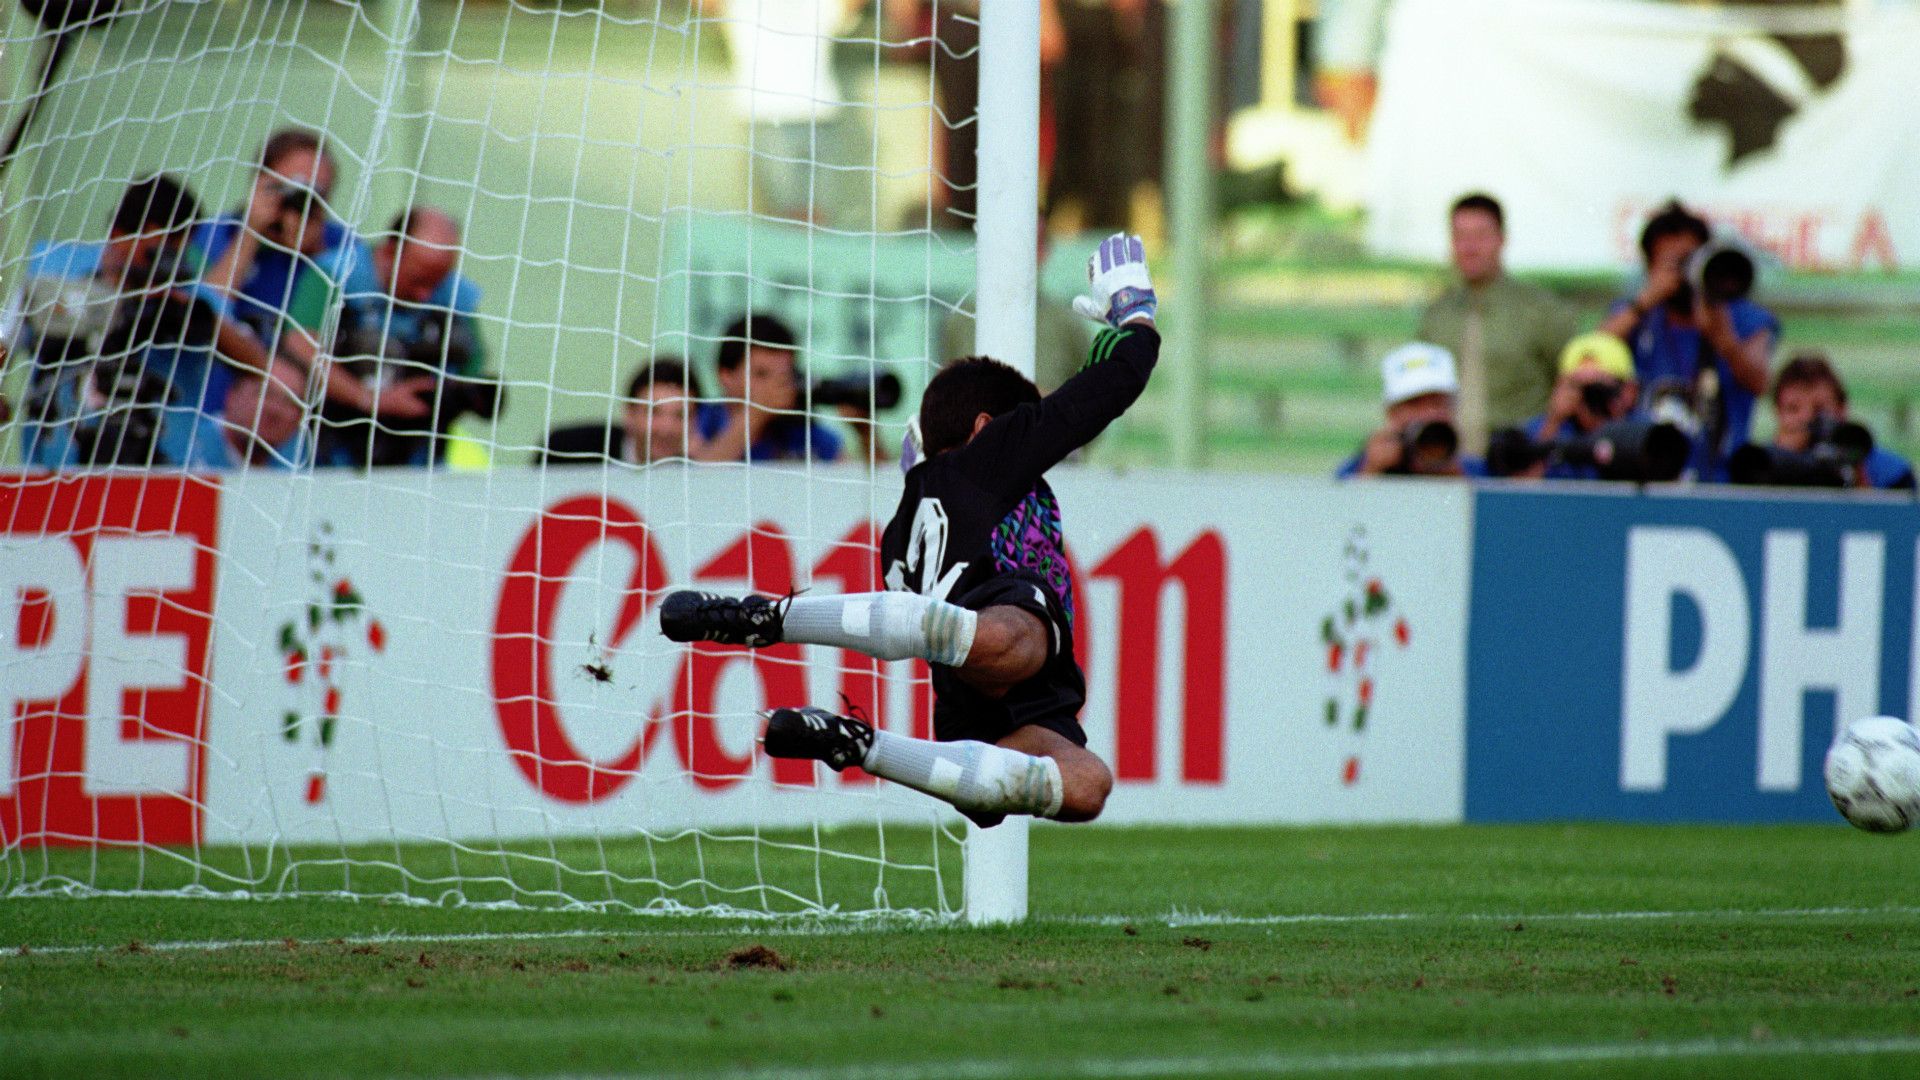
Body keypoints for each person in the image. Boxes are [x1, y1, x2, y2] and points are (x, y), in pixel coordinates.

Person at [657, 232, 1161, 827]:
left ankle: (859, 744)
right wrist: (1134, 313)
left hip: (996, 695)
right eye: (1024, 423)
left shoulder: (899, 532)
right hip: (1005, 642)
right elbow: (1107, 388)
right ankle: (767, 617)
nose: (1036, 439)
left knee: (1085, 785)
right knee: (1017, 641)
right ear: (984, 427)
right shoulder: (992, 454)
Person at [7, 173, 271, 468]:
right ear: (120, 237)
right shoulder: (59, 284)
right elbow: (6, 341)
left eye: (178, 251)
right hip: (59, 470)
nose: (167, 261)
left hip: (165, 473)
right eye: (156, 251)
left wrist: (195, 316)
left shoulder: (192, 299)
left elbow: (259, 365)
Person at [1598, 200, 1779, 481]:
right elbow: (1595, 353)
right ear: (1651, 267)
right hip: (1648, 473)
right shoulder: (1638, 315)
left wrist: (1723, 338)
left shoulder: (1741, 316)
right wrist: (1646, 300)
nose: (1685, 272)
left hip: (1720, 477)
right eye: (1674, 263)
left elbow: (1759, 381)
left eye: (1691, 260)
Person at [321, 206, 497, 467]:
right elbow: (300, 349)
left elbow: (473, 359)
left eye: (436, 283)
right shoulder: (335, 274)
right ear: (390, 252)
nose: (426, 295)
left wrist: (443, 393)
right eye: (418, 280)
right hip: (332, 443)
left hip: (419, 451)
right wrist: (376, 399)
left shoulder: (457, 295)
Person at [196, 129, 374, 372]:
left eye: (316, 193)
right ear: (260, 181)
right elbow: (205, 310)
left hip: (302, 382)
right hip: (221, 373)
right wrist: (251, 232)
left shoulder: (340, 244)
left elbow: (364, 322)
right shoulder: (213, 234)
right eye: (293, 187)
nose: (301, 200)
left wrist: (317, 255)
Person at [1417, 192, 1577, 454]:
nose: (1469, 248)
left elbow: (1569, 386)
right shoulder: (1436, 316)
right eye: (1460, 237)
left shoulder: (1542, 311)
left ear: (1502, 240)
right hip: (1447, 464)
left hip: (1517, 466)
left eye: (1480, 236)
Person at [697, 314, 843, 463]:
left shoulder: (799, 431)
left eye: (783, 375)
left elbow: (844, 468)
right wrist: (755, 414)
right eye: (761, 374)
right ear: (725, 375)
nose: (774, 385)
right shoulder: (694, 420)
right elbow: (696, 477)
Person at [1337, 342, 1484, 479]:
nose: (1428, 414)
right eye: (1414, 403)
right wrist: (1370, 472)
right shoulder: (1358, 470)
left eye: (1436, 403)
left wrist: (1458, 479)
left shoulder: (1477, 471)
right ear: (1391, 413)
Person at [1768, 353, 1914, 490]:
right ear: (1777, 412)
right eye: (1793, 409)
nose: (1807, 420)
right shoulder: (1758, 464)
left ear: (1841, 410)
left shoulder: (1891, 472)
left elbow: (1889, 514)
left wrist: (1856, 472)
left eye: (1819, 409)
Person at [1513, 332, 1645, 481]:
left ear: (1629, 390)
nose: (1590, 397)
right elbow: (1520, 493)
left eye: (1599, 388)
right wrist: (1553, 422)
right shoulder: (1543, 431)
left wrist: (1614, 427)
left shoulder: (1647, 431)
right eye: (1579, 387)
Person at [541, 359, 704, 466]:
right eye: (654, 412)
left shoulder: (700, 475)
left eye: (681, 416)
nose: (666, 428)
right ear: (629, 415)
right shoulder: (566, 452)